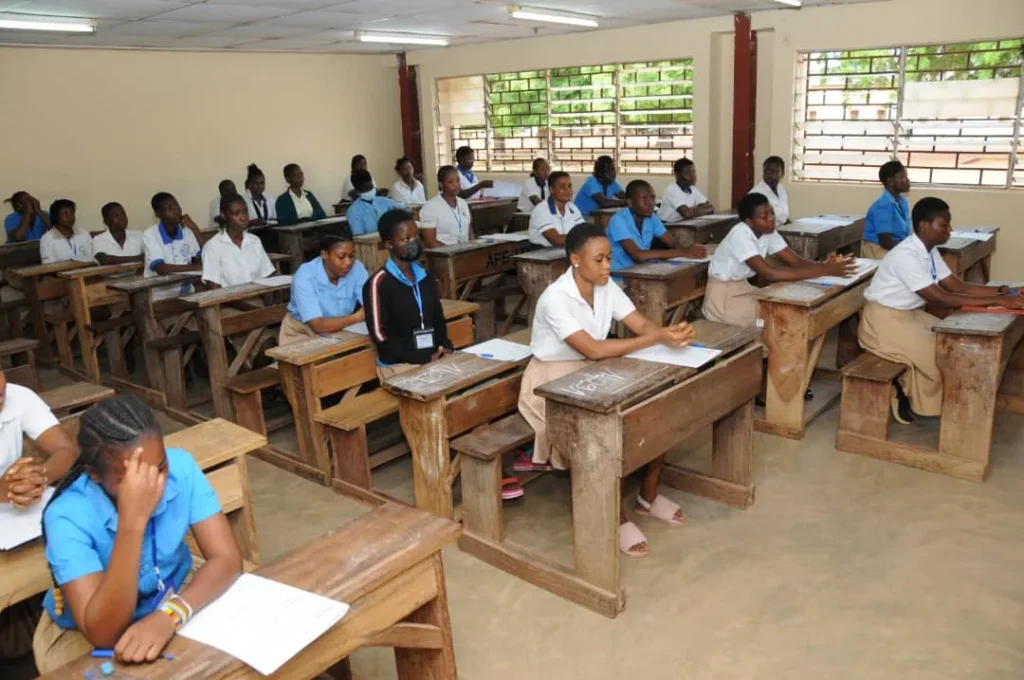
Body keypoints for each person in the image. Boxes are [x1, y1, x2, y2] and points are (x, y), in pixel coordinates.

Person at [518, 223, 696, 557]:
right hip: (552, 381)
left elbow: (640, 324)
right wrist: (658, 338)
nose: (607, 266)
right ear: (575, 260)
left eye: (609, 258)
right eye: (599, 260)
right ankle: (617, 518)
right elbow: (593, 350)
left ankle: (648, 496)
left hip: (594, 370)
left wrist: (668, 335)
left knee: (658, 408)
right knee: (602, 436)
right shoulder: (555, 298)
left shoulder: (605, 286)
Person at [32, 396, 242, 673]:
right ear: (94, 475)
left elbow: (226, 559)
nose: (152, 484)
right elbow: (103, 634)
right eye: (130, 478)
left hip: (176, 595)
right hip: (89, 628)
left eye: (161, 466)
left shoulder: (182, 468)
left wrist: (171, 615)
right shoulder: (66, 515)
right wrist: (132, 523)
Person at [859, 197, 1024, 424]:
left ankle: (923, 396)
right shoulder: (907, 254)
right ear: (924, 225)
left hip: (910, 316)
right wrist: (1001, 301)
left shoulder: (929, 251)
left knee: (951, 346)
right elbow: (941, 297)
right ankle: (905, 395)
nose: (949, 231)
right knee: (942, 359)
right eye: (944, 225)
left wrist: (1005, 291)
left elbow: (958, 286)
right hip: (884, 321)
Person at [0, 370, 78, 662]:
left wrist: (39, 477)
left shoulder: (16, 397)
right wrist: (3, 490)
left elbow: (65, 449)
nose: (1, 390)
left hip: (19, 521)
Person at [702, 192, 855, 328]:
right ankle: (769, 357)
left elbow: (796, 262)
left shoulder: (768, 231)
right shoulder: (740, 235)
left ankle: (770, 355)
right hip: (723, 298)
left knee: (780, 311)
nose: (771, 219)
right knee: (777, 318)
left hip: (743, 288)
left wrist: (824, 266)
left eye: (772, 213)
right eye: (764, 217)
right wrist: (827, 270)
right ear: (749, 222)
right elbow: (770, 274)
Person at [363, 209, 452, 379]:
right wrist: (422, 359)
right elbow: (380, 335)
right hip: (398, 365)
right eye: (406, 239)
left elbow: (437, 318)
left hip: (432, 357)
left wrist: (445, 346)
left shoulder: (424, 276)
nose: (414, 243)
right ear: (389, 244)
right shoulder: (378, 283)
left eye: (416, 236)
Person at [280, 230, 368, 345]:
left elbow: (371, 303)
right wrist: (357, 317)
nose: (348, 262)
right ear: (324, 255)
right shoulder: (305, 276)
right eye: (341, 257)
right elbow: (318, 326)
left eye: (352, 256)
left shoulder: (357, 268)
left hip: (343, 330)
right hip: (302, 332)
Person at [606, 180, 706, 271]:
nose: (651, 203)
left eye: (652, 198)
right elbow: (638, 255)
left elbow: (673, 243)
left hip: (642, 270)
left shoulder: (652, 218)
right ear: (630, 202)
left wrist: (690, 250)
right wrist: (683, 252)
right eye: (644, 199)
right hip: (619, 276)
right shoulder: (618, 220)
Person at [201, 194, 275, 289]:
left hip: (258, 298)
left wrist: (268, 303)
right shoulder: (212, 247)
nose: (243, 217)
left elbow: (267, 276)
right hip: (229, 302)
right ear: (223, 215)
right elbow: (214, 289)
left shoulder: (254, 241)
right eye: (236, 213)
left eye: (245, 212)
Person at [142, 192, 203, 300]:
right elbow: (162, 268)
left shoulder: (187, 232)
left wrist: (194, 228)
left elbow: (200, 256)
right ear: (158, 214)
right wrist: (196, 268)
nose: (176, 211)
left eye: (177, 206)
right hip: (161, 296)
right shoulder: (150, 234)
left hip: (187, 292)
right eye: (169, 209)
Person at [863, 160, 911, 259]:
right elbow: (886, 242)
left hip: (896, 247)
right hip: (879, 250)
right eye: (902, 177)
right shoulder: (883, 205)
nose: (907, 180)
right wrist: (909, 247)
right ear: (890, 180)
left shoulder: (903, 202)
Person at [419, 166, 473, 247]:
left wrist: (473, 248)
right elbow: (430, 242)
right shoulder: (430, 207)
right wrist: (453, 252)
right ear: (441, 184)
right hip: (443, 255)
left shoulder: (463, 203)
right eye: (451, 182)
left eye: (458, 180)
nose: (456, 185)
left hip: (464, 253)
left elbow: (469, 232)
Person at [528, 171, 584, 247]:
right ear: (551, 190)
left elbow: (584, 230)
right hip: (543, 253)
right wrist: (582, 237)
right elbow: (556, 240)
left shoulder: (572, 207)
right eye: (562, 186)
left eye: (569, 186)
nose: (568, 190)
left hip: (566, 249)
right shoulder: (541, 210)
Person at [657, 158, 714, 224]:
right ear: (677, 175)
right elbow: (687, 214)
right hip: (666, 226)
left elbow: (711, 208)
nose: (693, 176)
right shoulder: (672, 189)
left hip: (682, 223)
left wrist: (693, 210)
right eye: (688, 173)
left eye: (693, 172)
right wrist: (698, 209)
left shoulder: (693, 188)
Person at [39, 199, 94, 264]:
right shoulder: (47, 239)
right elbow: (48, 266)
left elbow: (92, 258)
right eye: (65, 214)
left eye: (72, 213)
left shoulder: (84, 234)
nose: (70, 217)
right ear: (56, 216)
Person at [345, 170, 399, 236]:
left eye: (370, 187)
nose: (369, 191)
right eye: (365, 189)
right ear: (357, 190)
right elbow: (359, 237)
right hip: (371, 244)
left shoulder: (385, 201)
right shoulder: (353, 211)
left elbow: (405, 209)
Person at [748, 156, 789, 225]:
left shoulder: (780, 188)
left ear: (782, 174)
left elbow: (783, 216)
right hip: (766, 232)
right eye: (766, 171)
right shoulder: (756, 193)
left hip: (781, 229)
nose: (769, 174)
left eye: (774, 171)